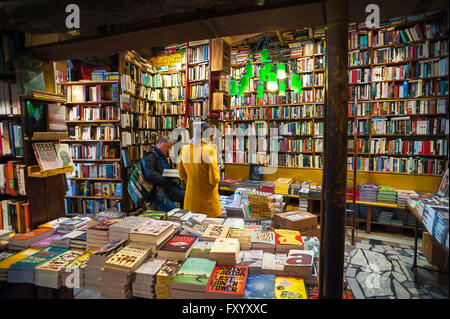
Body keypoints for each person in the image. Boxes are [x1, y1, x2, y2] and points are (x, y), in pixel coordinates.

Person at [178, 122, 222, 217]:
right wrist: (217, 170)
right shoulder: (209, 150)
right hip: (207, 203)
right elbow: (213, 180)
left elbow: (181, 175)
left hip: (190, 201)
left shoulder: (184, 149)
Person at [141, 136, 185, 212]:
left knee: (187, 197)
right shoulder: (150, 156)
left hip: (168, 188)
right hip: (157, 191)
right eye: (167, 147)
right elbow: (150, 175)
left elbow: (163, 170)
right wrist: (167, 180)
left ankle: (185, 217)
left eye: (169, 148)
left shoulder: (161, 155)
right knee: (174, 211)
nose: (168, 150)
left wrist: (172, 176)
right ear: (160, 143)